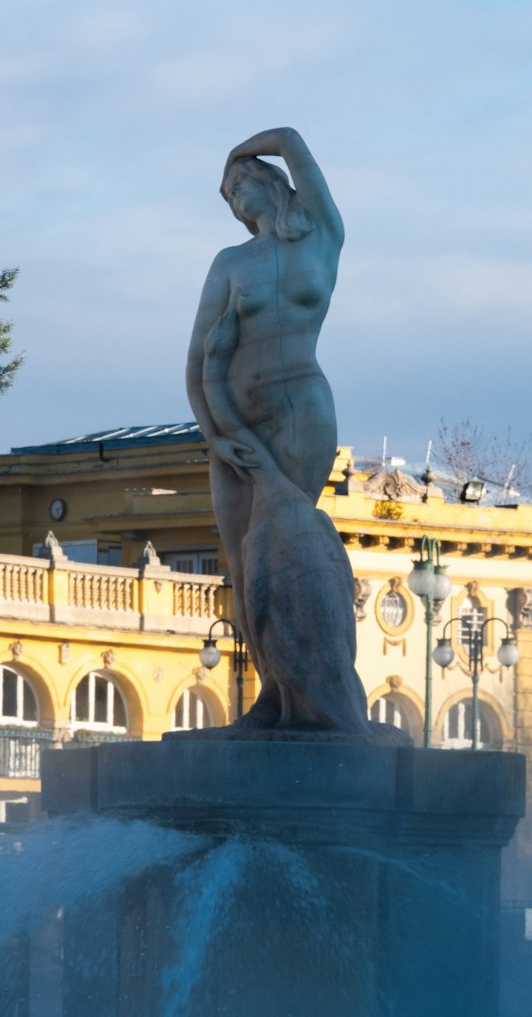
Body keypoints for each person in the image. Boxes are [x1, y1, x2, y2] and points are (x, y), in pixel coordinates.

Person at [186, 127, 365, 732]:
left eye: (240, 185)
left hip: (302, 411)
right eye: (228, 196)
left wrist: (237, 150)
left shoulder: (323, 236)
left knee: (284, 541)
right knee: (242, 562)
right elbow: (195, 361)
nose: (236, 199)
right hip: (235, 422)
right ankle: (272, 698)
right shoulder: (231, 263)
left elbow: (290, 138)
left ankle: (321, 695)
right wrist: (215, 435)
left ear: (270, 181)